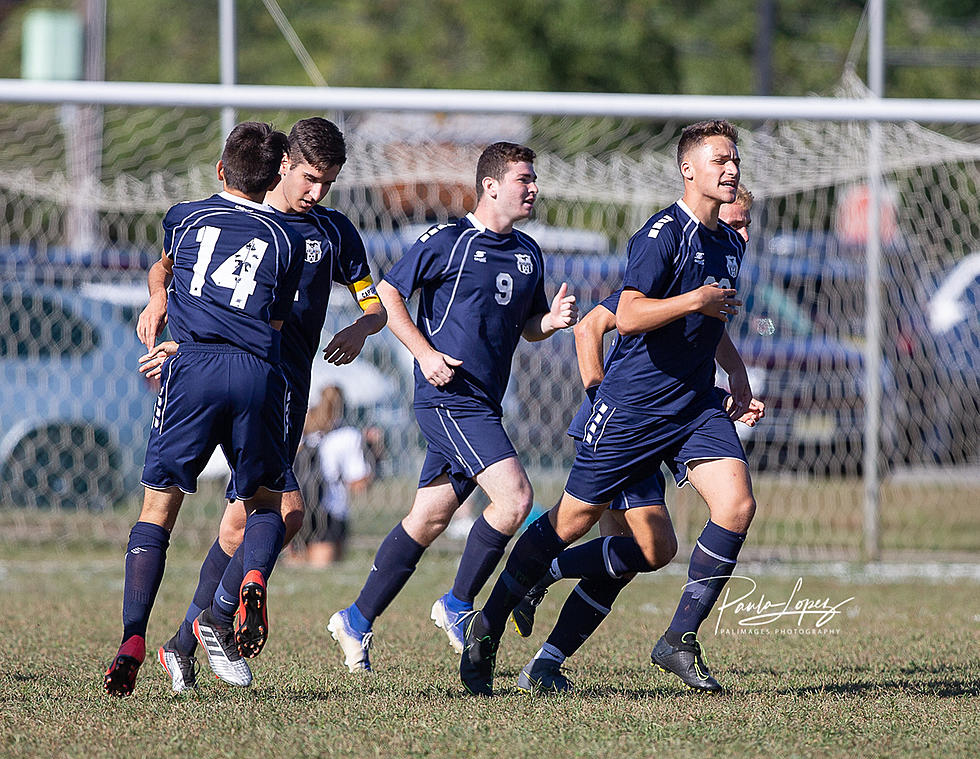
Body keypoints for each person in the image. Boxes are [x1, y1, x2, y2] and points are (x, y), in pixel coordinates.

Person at [461, 120, 761, 697]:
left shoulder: (727, 242)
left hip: (694, 407)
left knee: (737, 504)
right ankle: (489, 625)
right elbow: (626, 314)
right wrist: (692, 301)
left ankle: (679, 638)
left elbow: (709, 323)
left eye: (735, 160)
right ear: (688, 169)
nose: (731, 170)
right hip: (633, 409)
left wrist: (737, 377)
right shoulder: (660, 234)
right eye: (719, 160)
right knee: (571, 524)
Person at [136, 118, 386, 693]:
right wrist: (160, 307)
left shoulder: (335, 231)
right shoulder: (240, 220)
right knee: (285, 510)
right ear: (281, 166)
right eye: (308, 178)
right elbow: (170, 266)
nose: (316, 193)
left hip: (286, 389)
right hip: (235, 382)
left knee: (240, 520)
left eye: (328, 183)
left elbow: (371, 299)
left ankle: (182, 643)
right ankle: (215, 623)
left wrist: (362, 328)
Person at [327, 141, 578, 673]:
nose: (532, 189)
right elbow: (388, 294)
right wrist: (424, 354)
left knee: (429, 516)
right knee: (514, 499)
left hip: (482, 401)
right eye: (522, 180)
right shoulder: (448, 240)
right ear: (490, 185)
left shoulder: (529, 252)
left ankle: (355, 618)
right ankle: (459, 604)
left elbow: (528, 329)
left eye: (534, 180)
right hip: (448, 397)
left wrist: (550, 322)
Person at [103, 122, 306, 697]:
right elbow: (270, 322)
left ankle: (133, 638)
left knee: (157, 510)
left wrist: (171, 319)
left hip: (189, 371)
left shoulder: (184, 216)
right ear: (275, 179)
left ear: (220, 170)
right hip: (257, 376)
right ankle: (252, 581)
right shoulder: (288, 240)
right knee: (265, 502)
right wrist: (162, 296)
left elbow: (168, 265)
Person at [297, 384, 374, 566]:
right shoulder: (347, 436)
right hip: (330, 512)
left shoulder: (299, 433)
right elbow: (358, 484)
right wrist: (374, 452)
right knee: (322, 573)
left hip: (297, 508)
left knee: (297, 569)